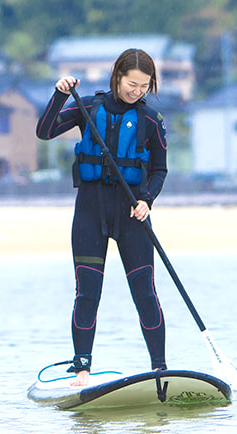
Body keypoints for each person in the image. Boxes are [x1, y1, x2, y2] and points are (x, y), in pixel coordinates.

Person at [36, 48, 168, 386]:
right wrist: (59, 94)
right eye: (131, 83)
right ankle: (82, 368)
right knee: (87, 292)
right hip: (90, 213)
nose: (137, 91)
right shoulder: (88, 107)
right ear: (117, 76)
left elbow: (159, 169)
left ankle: (160, 369)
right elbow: (45, 131)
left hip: (132, 215)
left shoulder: (151, 120)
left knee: (145, 292)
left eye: (144, 86)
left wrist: (146, 199)